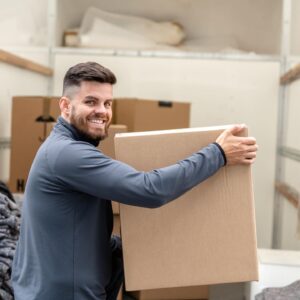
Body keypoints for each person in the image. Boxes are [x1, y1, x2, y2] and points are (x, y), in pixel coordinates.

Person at [11, 62, 257, 300]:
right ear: (65, 106)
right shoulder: (68, 154)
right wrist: (218, 154)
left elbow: (76, 226)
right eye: (91, 102)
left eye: (107, 103)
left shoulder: (62, 149)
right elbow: (149, 189)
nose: (102, 111)